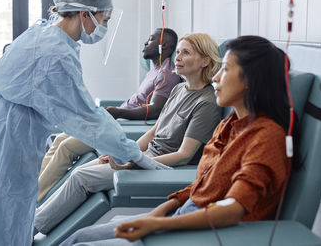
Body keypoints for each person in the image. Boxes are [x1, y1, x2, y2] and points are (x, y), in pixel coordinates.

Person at [0, 0, 169, 246]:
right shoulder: (55, 53)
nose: (103, 27)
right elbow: (87, 117)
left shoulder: (45, 35)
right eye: (103, 20)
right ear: (85, 14)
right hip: (8, 134)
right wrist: (131, 152)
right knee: (3, 208)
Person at [60, 35, 298, 246]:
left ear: (251, 79)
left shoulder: (265, 138)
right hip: (184, 212)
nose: (216, 77)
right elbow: (204, 185)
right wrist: (161, 211)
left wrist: (156, 225)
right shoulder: (229, 125)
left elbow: (232, 209)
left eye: (225, 69)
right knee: (79, 237)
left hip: (209, 230)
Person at [34, 33, 222, 234]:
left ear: (205, 61)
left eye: (186, 53)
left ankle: (31, 229)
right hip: (145, 157)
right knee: (77, 173)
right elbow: (153, 132)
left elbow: (184, 155)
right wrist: (127, 154)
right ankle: (34, 218)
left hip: (158, 164)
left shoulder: (207, 103)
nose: (177, 58)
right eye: (178, 52)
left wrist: (136, 163)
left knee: (82, 177)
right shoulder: (178, 89)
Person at [37, 28, 181, 202]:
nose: (145, 43)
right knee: (60, 138)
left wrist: (118, 112)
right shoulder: (154, 71)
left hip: (123, 129)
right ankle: (35, 187)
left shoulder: (167, 75)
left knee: (66, 147)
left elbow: (156, 110)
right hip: (113, 123)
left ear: (163, 45)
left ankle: (38, 198)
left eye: (150, 40)